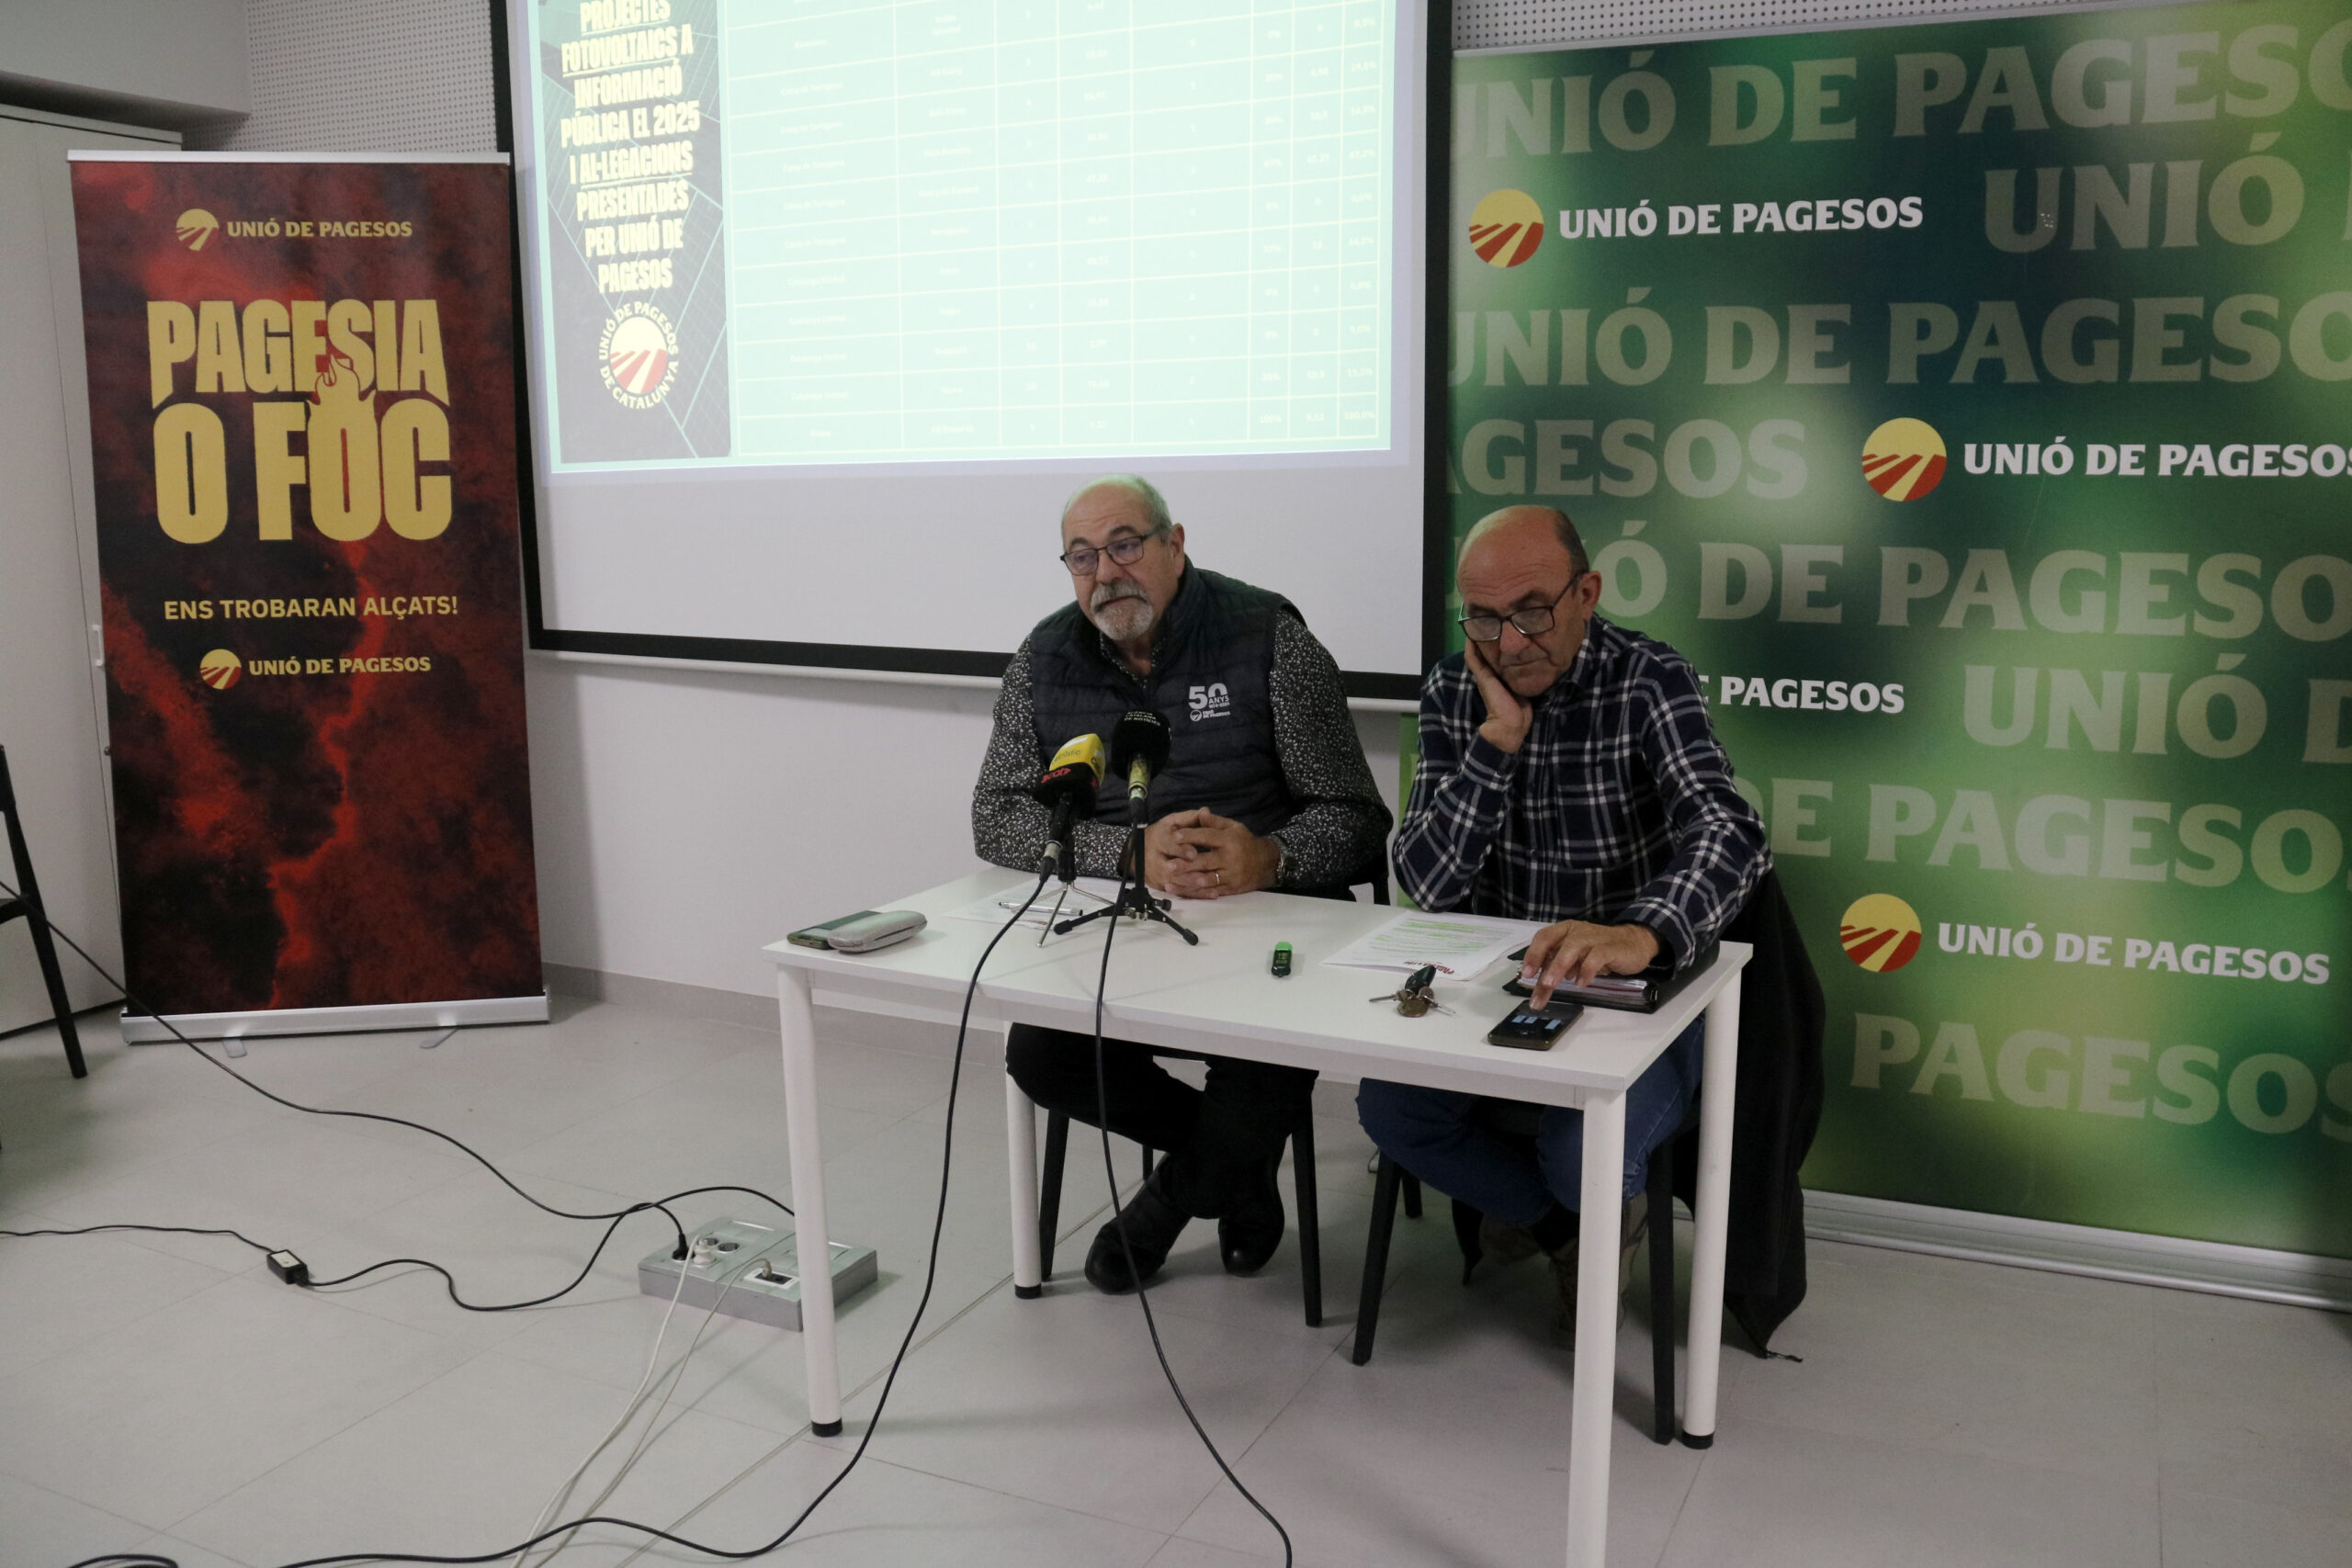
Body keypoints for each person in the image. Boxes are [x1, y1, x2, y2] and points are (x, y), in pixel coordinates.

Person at [1357, 504, 1769, 1337]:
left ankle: (1582, 1208)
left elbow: (1730, 829)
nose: (1509, 642)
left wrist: (1641, 932)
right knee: (1391, 1110)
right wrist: (1495, 744)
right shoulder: (1454, 688)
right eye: (1484, 618)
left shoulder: (1648, 679)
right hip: (1502, 987)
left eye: (1533, 612)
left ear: (1586, 594)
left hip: (1635, 996)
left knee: (1581, 1156)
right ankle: (1562, 1232)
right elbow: (1425, 880)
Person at [973, 476, 1392, 1292]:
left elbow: (1357, 818)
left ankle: (1163, 1208)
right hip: (1125, 928)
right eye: (1083, 557)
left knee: (1266, 1063)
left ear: (1174, 544)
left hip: (1270, 924)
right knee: (1040, 1052)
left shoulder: (1268, 639)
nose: (1106, 573)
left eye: (1125, 545)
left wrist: (1270, 855)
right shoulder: (1044, 659)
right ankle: (1237, 1170)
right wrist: (1125, 853)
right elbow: (997, 815)